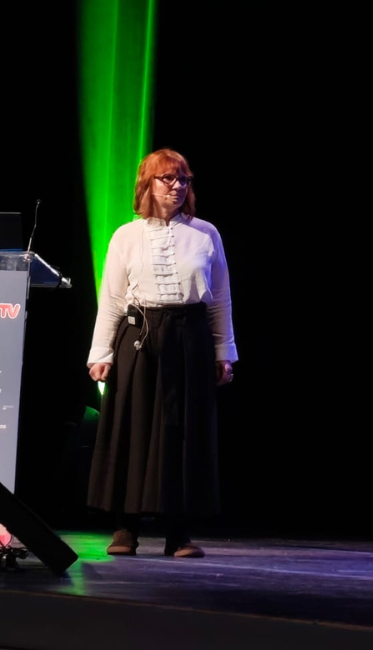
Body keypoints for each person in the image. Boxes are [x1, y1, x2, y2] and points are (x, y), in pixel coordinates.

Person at [86, 148, 237, 558]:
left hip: (189, 338)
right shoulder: (126, 235)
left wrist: (224, 350)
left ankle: (178, 534)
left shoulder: (206, 234)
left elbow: (220, 297)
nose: (176, 186)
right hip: (140, 336)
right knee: (132, 429)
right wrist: (101, 352)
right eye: (167, 179)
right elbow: (112, 299)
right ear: (147, 184)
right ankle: (125, 528)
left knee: (181, 433)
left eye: (183, 179)